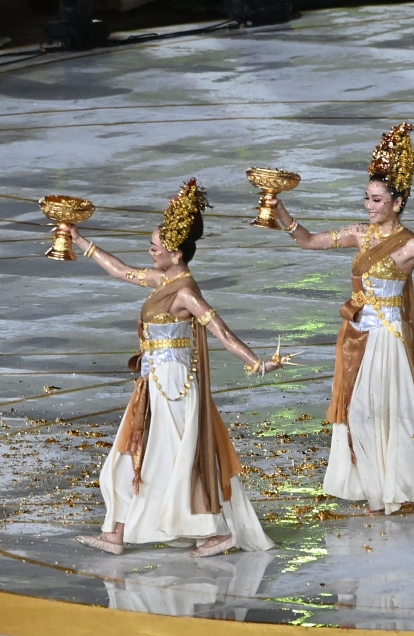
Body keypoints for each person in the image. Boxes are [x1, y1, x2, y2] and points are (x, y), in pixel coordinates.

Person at [269, 123, 414, 515]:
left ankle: (394, 492)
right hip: (358, 336)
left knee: (390, 416)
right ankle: (378, 488)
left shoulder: (412, 245)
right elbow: (310, 241)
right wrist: (280, 211)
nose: (369, 206)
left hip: (389, 339)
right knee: (359, 414)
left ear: (397, 203)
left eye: (377, 200)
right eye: (367, 198)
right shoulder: (360, 235)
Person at [71, 180, 284, 557]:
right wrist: (79, 241)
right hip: (153, 382)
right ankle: (117, 533)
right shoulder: (162, 279)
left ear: (176, 252)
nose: (151, 250)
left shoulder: (185, 292)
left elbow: (221, 331)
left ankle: (214, 532)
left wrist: (258, 364)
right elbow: (121, 271)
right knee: (132, 453)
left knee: (164, 458)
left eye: (157, 247)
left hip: (173, 388)